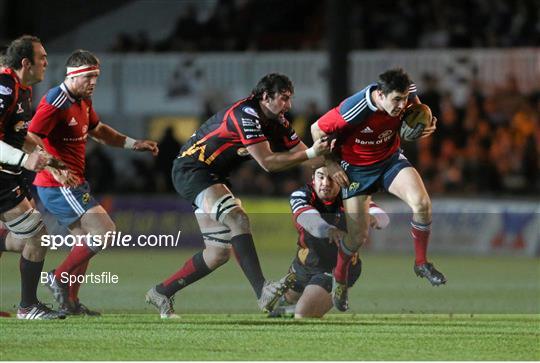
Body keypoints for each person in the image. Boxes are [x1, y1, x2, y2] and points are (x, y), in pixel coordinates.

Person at [146, 73, 333, 318]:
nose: (289, 105)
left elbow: (306, 156)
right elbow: (268, 162)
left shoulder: (278, 120)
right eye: (284, 98)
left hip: (213, 176)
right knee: (238, 219)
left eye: (290, 99)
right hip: (192, 170)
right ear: (266, 97)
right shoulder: (246, 115)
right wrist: (311, 155)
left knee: (218, 253)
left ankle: (161, 292)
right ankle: (262, 291)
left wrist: (341, 163)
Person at [28, 49, 159, 316]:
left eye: (96, 76)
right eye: (88, 76)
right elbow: (32, 136)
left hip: (73, 183)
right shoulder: (56, 99)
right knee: (105, 231)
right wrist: (54, 167)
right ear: (72, 76)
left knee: (86, 241)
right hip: (57, 184)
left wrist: (135, 144)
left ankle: (71, 303)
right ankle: (58, 278)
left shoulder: (83, 100)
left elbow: (98, 131)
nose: (93, 82)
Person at [311, 68, 446, 312]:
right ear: (380, 95)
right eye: (396, 99)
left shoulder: (406, 96)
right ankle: (339, 277)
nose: (401, 105)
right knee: (357, 238)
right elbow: (316, 129)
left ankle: (421, 263)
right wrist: (330, 163)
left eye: (404, 98)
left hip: (389, 161)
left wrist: (427, 123)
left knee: (422, 203)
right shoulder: (355, 108)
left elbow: (420, 112)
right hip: (355, 171)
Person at [0, 35, 67, 319]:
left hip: (9, 174)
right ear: (25, 62)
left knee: (25, 236)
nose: (46, 64)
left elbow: (17, 132)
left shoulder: (22, 89)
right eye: (42, 58)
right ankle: (28, 307)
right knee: (37, 235)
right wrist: (26, 159)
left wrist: (46, 157)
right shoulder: (4, 88)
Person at [269, 166, 389, 318]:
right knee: (284, 302)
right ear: (313, 178)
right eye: (321, 177)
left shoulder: (352, 197)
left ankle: (294, 311)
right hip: (304, 263)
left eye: (332, 178)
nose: (326, 183)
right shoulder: (301, 195)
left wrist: (373, 218)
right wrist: (329, 230)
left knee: (303, 315)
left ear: (341, 179)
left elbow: (382, 216)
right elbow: (311, 221)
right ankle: (288, 308)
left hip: (337, 268)